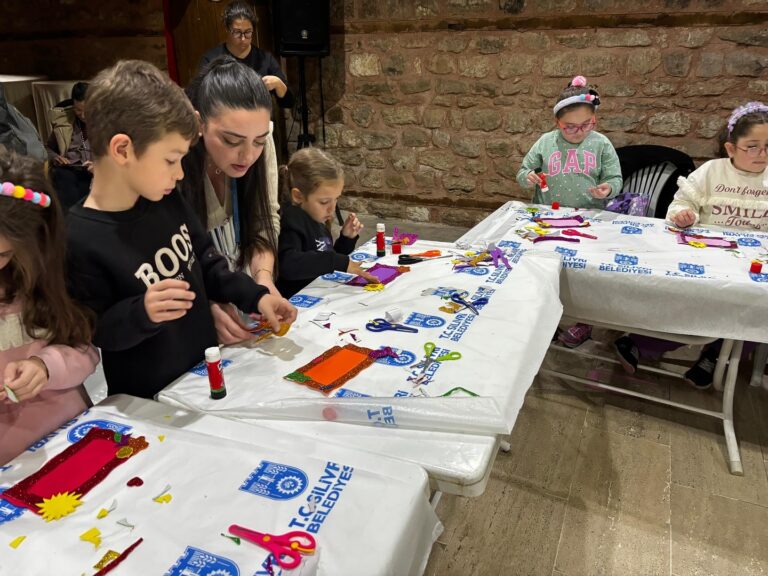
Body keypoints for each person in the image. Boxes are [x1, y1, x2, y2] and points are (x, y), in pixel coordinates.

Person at [65, 60, 296, 400]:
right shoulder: (79, 237)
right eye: (171, 160)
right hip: (149, 399)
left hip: (202, 372)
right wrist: (141, 311)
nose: (179, 173)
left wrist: (256, 295)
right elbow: (96, 331)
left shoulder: (164, 199)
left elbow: (206, 261)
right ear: (123, 150)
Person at [614, 101, 768, 389]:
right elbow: (682, 202)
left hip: (754, 264)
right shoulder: (711, 172)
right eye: (753, 146)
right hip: (706, 254)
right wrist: (684, 215)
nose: (762, 154)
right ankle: (641, 343)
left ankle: (715, 356)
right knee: (684, 301)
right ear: (731, 148)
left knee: (755, 307)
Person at [0, 145, 99, 465]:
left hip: (73, 439)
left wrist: (45, 367)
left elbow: (85, 348)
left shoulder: (40, 279)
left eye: (3, 255)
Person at [180, 56, 282, 345]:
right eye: (231, 141)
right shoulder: (175, 161)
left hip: (241, 296)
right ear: (199, 124)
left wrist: (263, 278)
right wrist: (206, 304)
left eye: (259, 141)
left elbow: (265, 218)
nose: (248, 155)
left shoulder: (261, 141)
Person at [516, 75, 623, 349]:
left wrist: (607, 190)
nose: (578, 132)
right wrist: (529, 177)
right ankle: (544, 313)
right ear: (557, 123)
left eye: (586, 125)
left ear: (594, 119)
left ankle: (583, 321)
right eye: (570, 127)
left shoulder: (600, 144)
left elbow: (615, 178)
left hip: (589, 220)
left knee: (583, 273)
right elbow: (523, 171)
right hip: (548, 218)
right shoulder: (545, 142)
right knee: (546, 267)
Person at [277, 147, 378, 297]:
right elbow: (289, 265)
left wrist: (345, 239)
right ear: (298, 196)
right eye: (324, 202)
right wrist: (338, 262)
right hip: (296, 302)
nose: (332, 208)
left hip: (320, 293)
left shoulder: (316, 215)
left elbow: (324, 255)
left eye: (336, 199)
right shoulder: (291, 219)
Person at [199, 0, 294, 111]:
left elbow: (288, 102)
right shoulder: (210, 59)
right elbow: (200, 99)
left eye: (248, 32)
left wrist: (278, 84)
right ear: (227, 29)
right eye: (237, 32)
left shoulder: (265, 59)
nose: (243, 39)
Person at [45, 82, 93, 210]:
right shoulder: (64, 124)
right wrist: (55, 157)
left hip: (94, 172)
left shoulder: (105, 124)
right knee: (66, 189)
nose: (82, 115)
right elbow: (47, 148)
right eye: (78, 110)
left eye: (86, 110)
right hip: (68, 169)